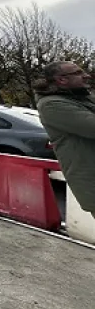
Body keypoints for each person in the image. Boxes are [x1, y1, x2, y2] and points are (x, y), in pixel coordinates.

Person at [35, 61, 95, 218]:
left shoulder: (83, 97)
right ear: (62, 80)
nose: (86, 76)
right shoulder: (52, 105)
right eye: (78, 73)